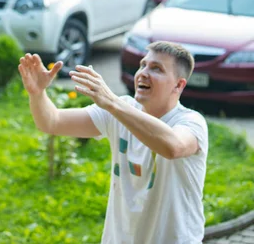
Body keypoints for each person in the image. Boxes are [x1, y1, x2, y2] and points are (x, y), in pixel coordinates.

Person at [18, 41, 208, 244]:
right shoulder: (119, 109)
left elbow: (173, 147)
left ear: (178, 85)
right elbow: (51, 121)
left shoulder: (190, 122)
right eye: (142, 65)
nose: (143, 73)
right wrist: (37, 94)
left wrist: (111, 102)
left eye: (156, 69)